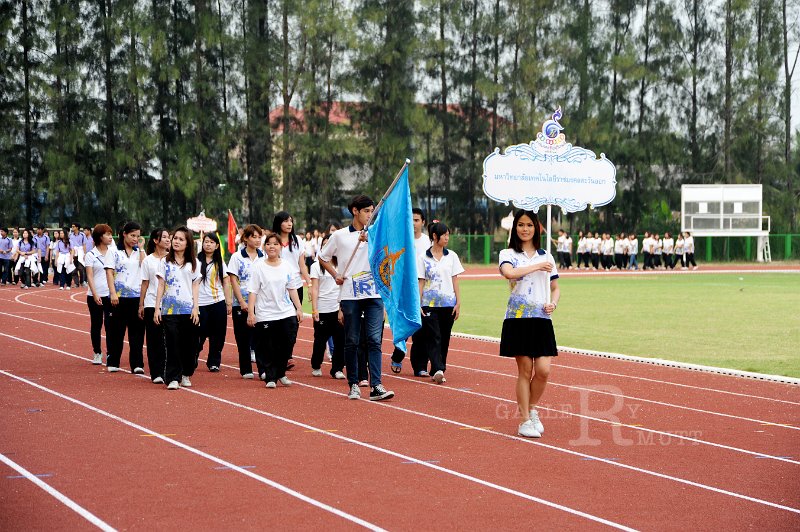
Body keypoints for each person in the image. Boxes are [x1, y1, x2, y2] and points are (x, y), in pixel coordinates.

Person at [318, 195, 395, 401]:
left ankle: (376, 384)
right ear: (355, 211)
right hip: (350, 295)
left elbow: (388, 257)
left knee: (374, 340)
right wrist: (336, 275)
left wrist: (371, 240)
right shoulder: (340, 236)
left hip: (374, 295)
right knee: (351, 340)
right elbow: (323, 257)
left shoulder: (377, 234)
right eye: (367, 211)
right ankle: (353, 384)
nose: (370, 215)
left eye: (372, 211)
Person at [499, 210, 560, 438]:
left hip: (542, 320)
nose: (525, 229)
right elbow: (509, 273)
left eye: (530, 225)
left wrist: (553, 303)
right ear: (515, 228)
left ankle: (532, 408)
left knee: (543, 371)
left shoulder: (547, 256)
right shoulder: (508, 253)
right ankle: (524, 420)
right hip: (518, 319)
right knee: (525, 370)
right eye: (521, 225)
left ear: (537, 228)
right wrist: (536, 266)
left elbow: (555, 288)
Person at [247, 232, 304, 388]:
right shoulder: (258, 266)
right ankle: (271, 377)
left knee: (287, 343)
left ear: (280, 247)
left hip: (286, 311)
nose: (272, 247)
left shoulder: (287, 265)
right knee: (268, 346)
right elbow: (253, 291)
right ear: (265, 247)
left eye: (275, 244)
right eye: (269, 244)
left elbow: (292, 288)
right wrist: (251, 313)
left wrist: (298, 308)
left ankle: (280, 372)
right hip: (266, 313)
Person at [415, 221, 464, 384]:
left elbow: (455, 279)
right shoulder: (423, 258)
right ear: (435, 236)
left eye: (448, 234)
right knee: (433, 335)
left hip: (448, 304)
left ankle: (439, 366)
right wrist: (418, 303)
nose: (447, 238)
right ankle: (437, 368)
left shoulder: (452, 256)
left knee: (444, 337)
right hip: (429, 304)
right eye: (444, 235)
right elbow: (421, 282)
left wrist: (458, 302)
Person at [154, 226, 201, 390]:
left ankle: (186, 373)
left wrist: (196, 308)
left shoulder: (194, 264)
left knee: (190, 345)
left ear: (188, 243)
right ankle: (173, 377)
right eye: (175, 238)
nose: (176, 242)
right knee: (172, 343)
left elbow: (195, 287)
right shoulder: (164, 262)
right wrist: (157, 308)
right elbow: (161, 285)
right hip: (169, 310)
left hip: (189, 310)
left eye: (181, 239)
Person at [389, 208, 432, 374]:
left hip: (422, 287)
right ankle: (398, 354)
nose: (413, 224)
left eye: (416, 220)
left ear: (423, 222)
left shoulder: (428, 242)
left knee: (422, 328)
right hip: (404, 287)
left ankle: (420, 366)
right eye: (411, 220)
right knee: (405, 321)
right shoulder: (402, 240)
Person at [106, 222, 146, 374]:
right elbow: (109, 272)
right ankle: (113, 361)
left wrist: (141, 248)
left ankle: (137, 364)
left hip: (136, 297)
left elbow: (145, 266)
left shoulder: (139, 253)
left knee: (137, 333)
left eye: (137, 236)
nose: (135, 239)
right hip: (119, 297)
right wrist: (112, 292)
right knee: (117, 331)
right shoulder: (114, 252)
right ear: (124, 234)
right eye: (132, 235)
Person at [272, 212, 311, 371]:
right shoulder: (272, 241)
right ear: (278, 223)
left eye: (291, 221)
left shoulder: (298, 241)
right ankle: (277, 353)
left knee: (293, 322)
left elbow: (302, 265)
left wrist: (309, 282)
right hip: (276, 286)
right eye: (286, 221)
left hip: (295, 285)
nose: (289, 224)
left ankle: (287, 355)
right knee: (278, 321)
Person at [228, 224, 264, 379]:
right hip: (240, 303)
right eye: (253, 237)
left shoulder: (264, 257)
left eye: (259, 237)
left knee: (261, 338)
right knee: (243, 338)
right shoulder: (237, 257)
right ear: (245, 238)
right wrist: (241, 302)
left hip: (260, 303)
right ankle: (246, 369)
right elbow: (233, 280)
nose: (257, 240)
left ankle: (263, 369)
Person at [310, 233, 346, 379]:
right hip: (323, 308)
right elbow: (314, 288)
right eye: (325, 244)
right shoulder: (316, 266)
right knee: (320, 340)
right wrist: (314, 309)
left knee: (340, 340)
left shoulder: (342, 264)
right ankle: (316, 365)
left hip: (338, 307)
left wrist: (343, 307)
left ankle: (337, 369)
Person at [139, 228, 170, 383]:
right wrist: (141, 305)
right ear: (155, 240)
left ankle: (168, 369)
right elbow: (145, 283)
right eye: (164, 237)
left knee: (169, 339)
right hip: (151, 303)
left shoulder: (173, 259)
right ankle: (156, 372)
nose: (168, 239)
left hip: (170, 305)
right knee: (154, 339)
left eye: (168, 237)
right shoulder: (148, 261)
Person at [197, 232, 231, 372]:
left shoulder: (220, 262)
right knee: (199, 333)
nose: (208, 244)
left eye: (211, 242)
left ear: (217, 245)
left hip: (217, 302)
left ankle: (214, 361)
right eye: (206, 241)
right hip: (200, 303)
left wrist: (228, 302)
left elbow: (225, 281)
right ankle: (192, 356)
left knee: (218, 334)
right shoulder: (196, 261)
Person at [84, 224, 116, 366]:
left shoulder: (114, 252)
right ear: (99, 237)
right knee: (96, 325)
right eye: (107, 234)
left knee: (111, 326)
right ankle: (97, 352)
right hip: (94, 295)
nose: (110, 237)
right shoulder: (90, 255)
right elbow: (90, 276)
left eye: (111, 234)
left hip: (110, 295)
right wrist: (95, 294)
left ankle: (111, 353)